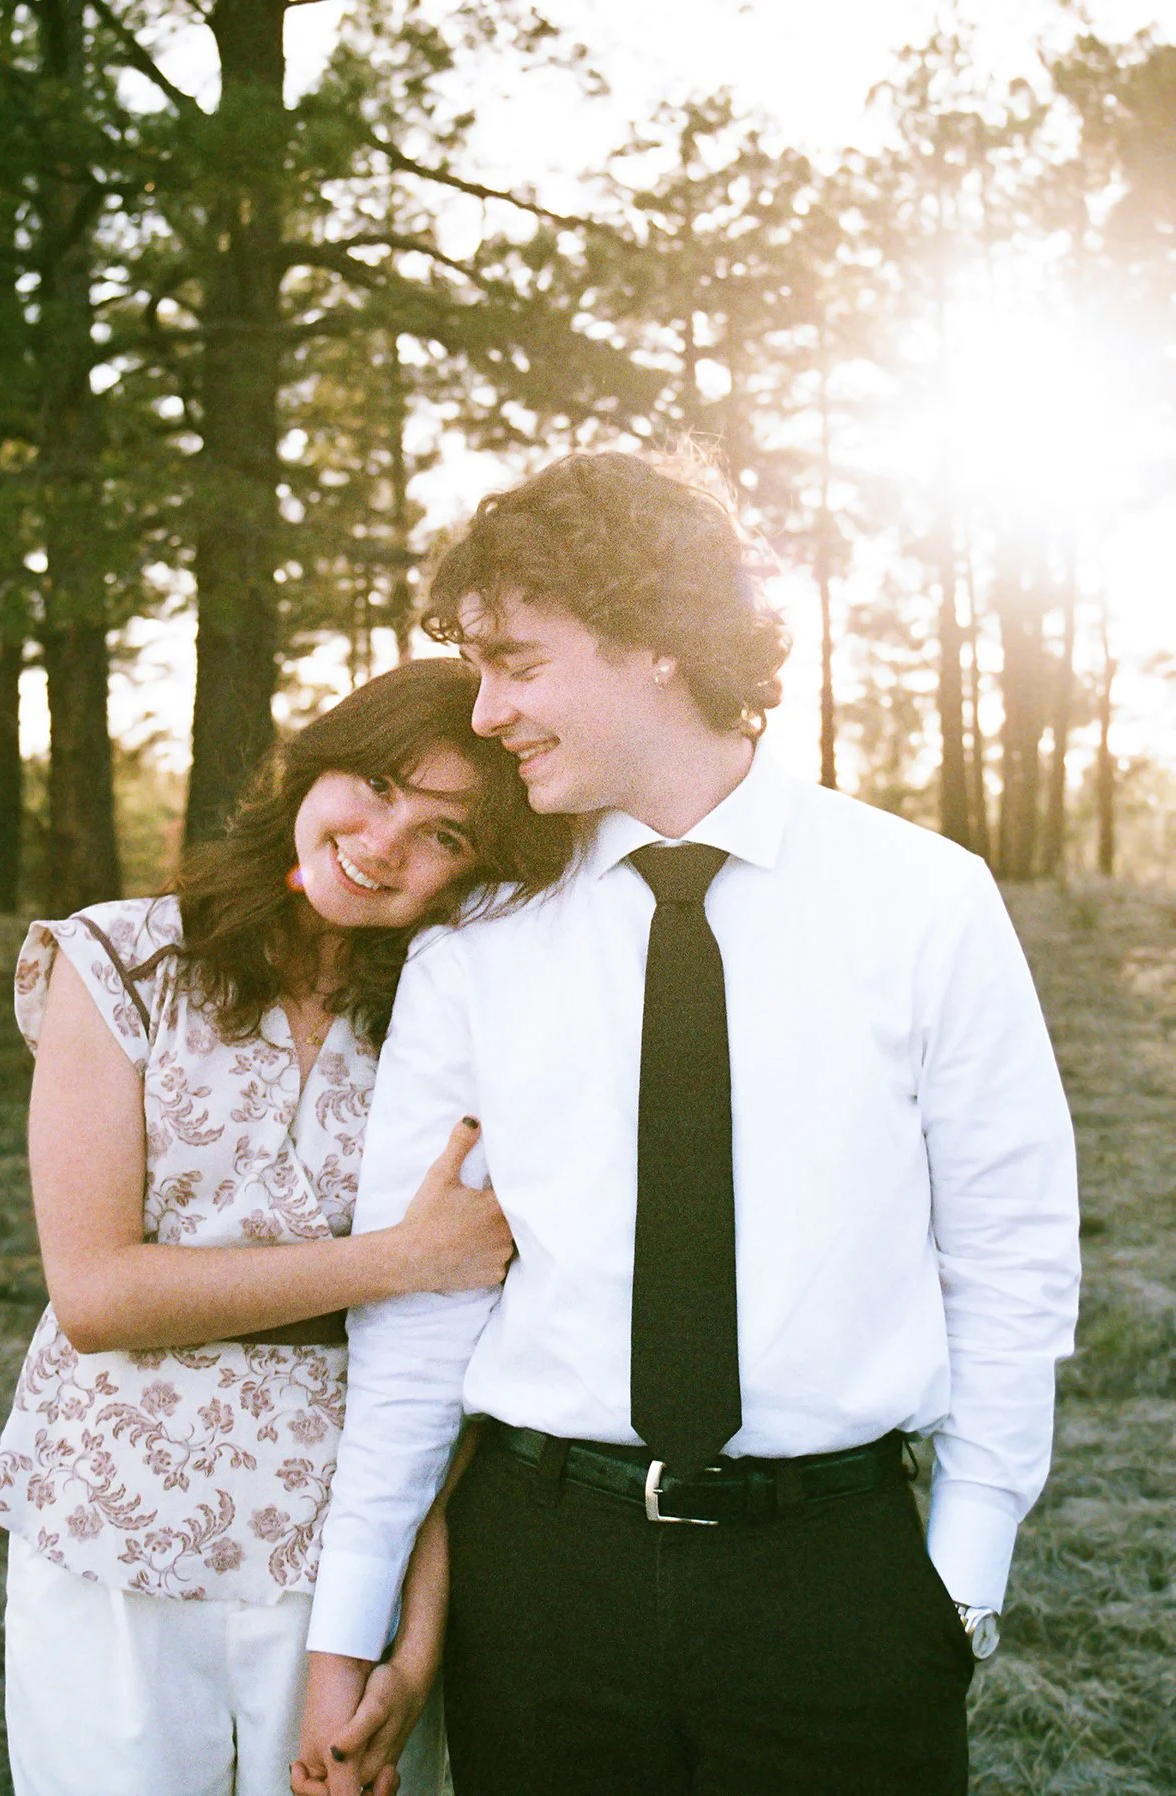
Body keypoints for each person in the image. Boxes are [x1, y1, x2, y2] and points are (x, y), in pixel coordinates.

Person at [294, 451, 1081, 1796]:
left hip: (837, 1588)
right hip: (541, 1585)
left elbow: (1008, 1250)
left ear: (651, 638)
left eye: (514, 664)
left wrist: (959, 1568)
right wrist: (345, 1627)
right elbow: (418, 1319)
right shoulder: (475, 950)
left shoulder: (921, 901)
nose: (484, 713)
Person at [0, 658, 574, 1796]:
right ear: (316, 760)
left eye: (445, 835)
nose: (387, 840)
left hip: (344, 1547)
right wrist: (395, 1260)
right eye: (381, 782)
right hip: (113, 1521)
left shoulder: (455, 1017)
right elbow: (96, 1294)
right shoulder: (120, 960)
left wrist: (417, 1629)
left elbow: (449, 1357)